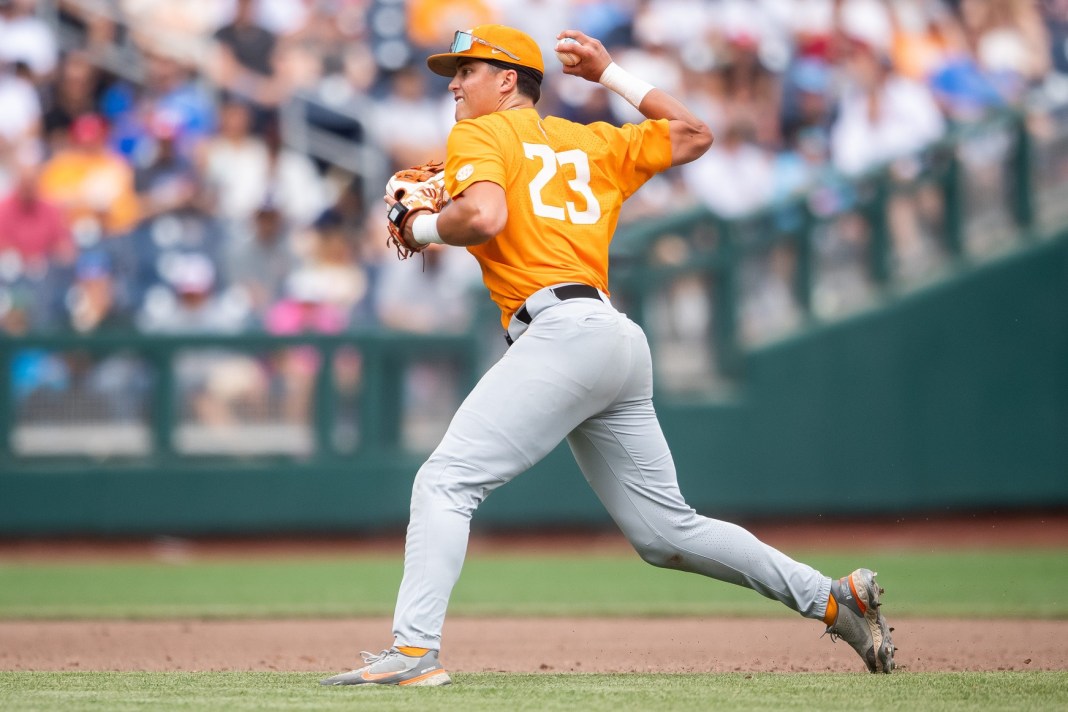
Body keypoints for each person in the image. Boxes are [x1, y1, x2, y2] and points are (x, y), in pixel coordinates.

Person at [321, 25, 894, 688]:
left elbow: (482, 219)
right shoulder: (590, 139)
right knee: (666, 533)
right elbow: (695, 134)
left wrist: (418, 228)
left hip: (560, 332)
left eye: (467, 70)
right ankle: (833, 598)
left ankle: (414, 652)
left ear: (508, 80)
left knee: (445, 482)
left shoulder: (480, 134)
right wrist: (612, 74)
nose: (453, 82)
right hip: (612, 335)